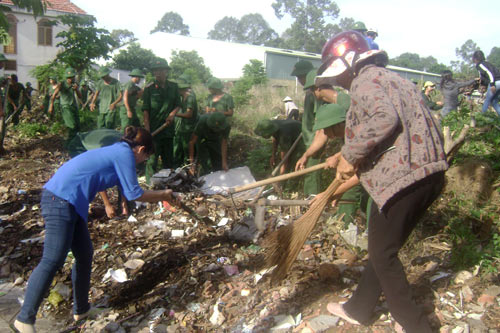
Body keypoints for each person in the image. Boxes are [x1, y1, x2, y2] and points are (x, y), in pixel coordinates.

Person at [316, 31, 447, 333]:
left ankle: (416, 326)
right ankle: (359, 308)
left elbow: (384, 118)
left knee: (382, 254)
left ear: (350, 63)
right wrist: (344, 156)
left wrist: (350, 154)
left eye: (340, 76)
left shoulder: (364, 80)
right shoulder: (395, 79)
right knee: (383, 249)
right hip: (430, 175)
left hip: (402, 180)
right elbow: (396, 132)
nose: (341, 83)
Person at [14, 127, 178, 333]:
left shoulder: (117, 152)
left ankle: (81, 309)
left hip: (72, 203)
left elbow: (123, 190)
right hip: (60, 198)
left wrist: (160, 198)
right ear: (142, 149)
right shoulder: (124, 153)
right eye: (146, 157)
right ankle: (24, 319)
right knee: (53, 259)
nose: (142, 162)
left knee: (84, 254)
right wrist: (164, 194)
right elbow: (135, 192)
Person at [66, 129, 129, 218]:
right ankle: (78, 210)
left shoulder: (125, 148)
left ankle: (122, 206)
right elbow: (97, 175)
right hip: (80, 144)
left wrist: (124, 206)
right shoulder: (109, 150)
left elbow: (122, 177)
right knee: (87, 177)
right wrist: (107, 204)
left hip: (99, 141)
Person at [142, 59, 181, 183]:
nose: (157, 73)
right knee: (152, 160)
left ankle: (167, 185)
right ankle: (150, 185)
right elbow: (145, 110)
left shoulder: (174, 87)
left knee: (168, 160)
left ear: (166, 71)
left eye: (160, 70)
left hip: (168, 130)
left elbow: (178, 104)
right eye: (155, 71)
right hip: (154, 130)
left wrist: (172, 114)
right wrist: (147, 131)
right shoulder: (149, 89)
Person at [297, 69, 323, 196]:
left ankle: (312, 202)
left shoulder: (314, 95)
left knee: (311, 172)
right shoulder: (310, 94)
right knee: (308, 171)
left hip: (314, 140)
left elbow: (319, 121)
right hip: (309, 139)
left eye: (300, 77)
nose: (299, 81)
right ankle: (309, 199)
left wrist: (315, 141)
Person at [49, 68, 81, 145]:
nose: (70, 79)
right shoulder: (62, 84)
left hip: (73, 106)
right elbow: (54, 95)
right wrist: (51, 106)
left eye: (72, 77)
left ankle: (75, 142)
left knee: (78, 126)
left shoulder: (75, 84)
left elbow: (80, 96)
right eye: (68, 77)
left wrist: (76, 89)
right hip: (65, 106)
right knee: (71, 126)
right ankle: (69, 144)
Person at [173, 74, 198, 168]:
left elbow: (189, 114)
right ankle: (185, 167)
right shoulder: (183, 97)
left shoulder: (190, 97)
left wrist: (175, 114)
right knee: (184, 149)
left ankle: (190, 168)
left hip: (190, 128)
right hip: (184, 127)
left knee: (189, 149)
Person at [472, 50, 500, 115]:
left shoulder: (480, 65)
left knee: (487, 100)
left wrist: (492, 85)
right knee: (494, 101)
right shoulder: (487, 63)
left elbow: (490, 74)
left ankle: (482, 117)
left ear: (475, 58)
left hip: (495, 83)